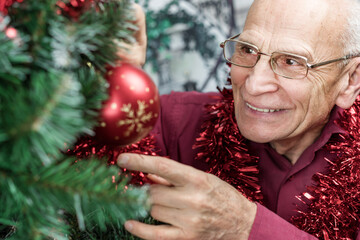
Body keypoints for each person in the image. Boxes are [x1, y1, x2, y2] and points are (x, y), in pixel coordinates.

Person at [117, 0, 360, 239]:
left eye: (291, 62)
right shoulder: (177, 120)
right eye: (248, 50)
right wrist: (115, 83)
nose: (253, 85)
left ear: (350, 81)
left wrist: (245, 228)